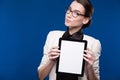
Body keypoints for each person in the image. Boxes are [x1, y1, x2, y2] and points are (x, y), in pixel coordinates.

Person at [38, 0, 101, 80]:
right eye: (69, 10)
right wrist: (51, 61)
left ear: (85, 20)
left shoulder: (94, 44)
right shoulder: (52, 36)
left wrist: (90, 67)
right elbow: (40, 76)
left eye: (76, 13)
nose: (68, 15)